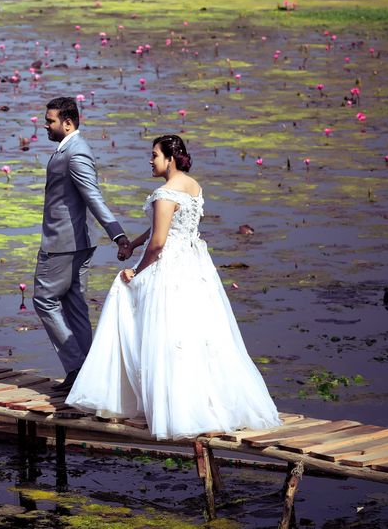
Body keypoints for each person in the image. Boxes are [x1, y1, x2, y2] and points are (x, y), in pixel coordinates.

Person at [66, 134, 281, 439]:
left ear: (169, 158)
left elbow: (158, 244)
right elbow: (163, 225)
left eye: (154, 155)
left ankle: (123, 396)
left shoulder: (164, 193)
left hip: (168, 267)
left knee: (138, 307)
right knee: (198, 335)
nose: (150, 160)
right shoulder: (192, 186)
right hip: (194, 267)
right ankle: (207, 401)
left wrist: (136, 271)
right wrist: (132, 243)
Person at [34, 96, 131, 392]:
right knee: (75, 307)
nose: (44, 125)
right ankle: (91, 373)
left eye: (50, 121)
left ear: (68, 122)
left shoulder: (75, 154)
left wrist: (118, 234)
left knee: (43, 299)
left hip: (63, 243)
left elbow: (93, 197)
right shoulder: (69, 149)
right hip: (77, 242)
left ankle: (77, 366)